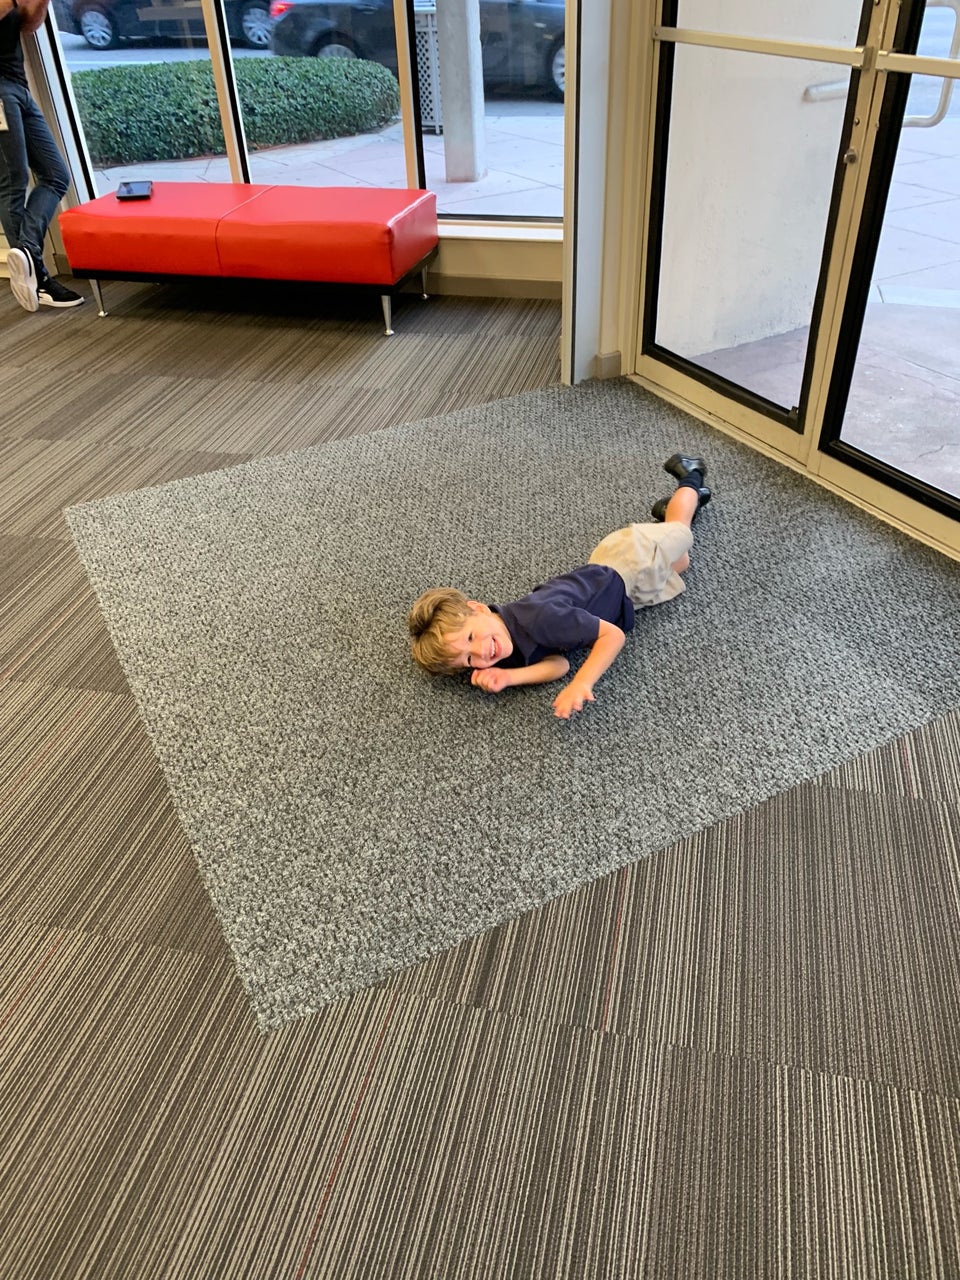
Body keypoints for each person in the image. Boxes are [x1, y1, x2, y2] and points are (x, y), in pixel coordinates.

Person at [408, 452, 713, 720]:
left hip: (628, 563)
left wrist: (583, 683)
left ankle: (690, 476)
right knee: (680, 563)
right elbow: (558, 664)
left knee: (681, 530)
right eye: (469, 659)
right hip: (620, 594)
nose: (481, 653)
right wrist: (508, 677)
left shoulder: (540, 618)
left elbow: (612, 636)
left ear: (477, 608)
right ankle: (666, 520)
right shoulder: (504, 644)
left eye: (471, 637)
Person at [0, 0, 84, 311]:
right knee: (14, 181)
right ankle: (39, 279)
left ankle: (26, 254)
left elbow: (27, 23)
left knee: (56, 174)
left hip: (17, 86)